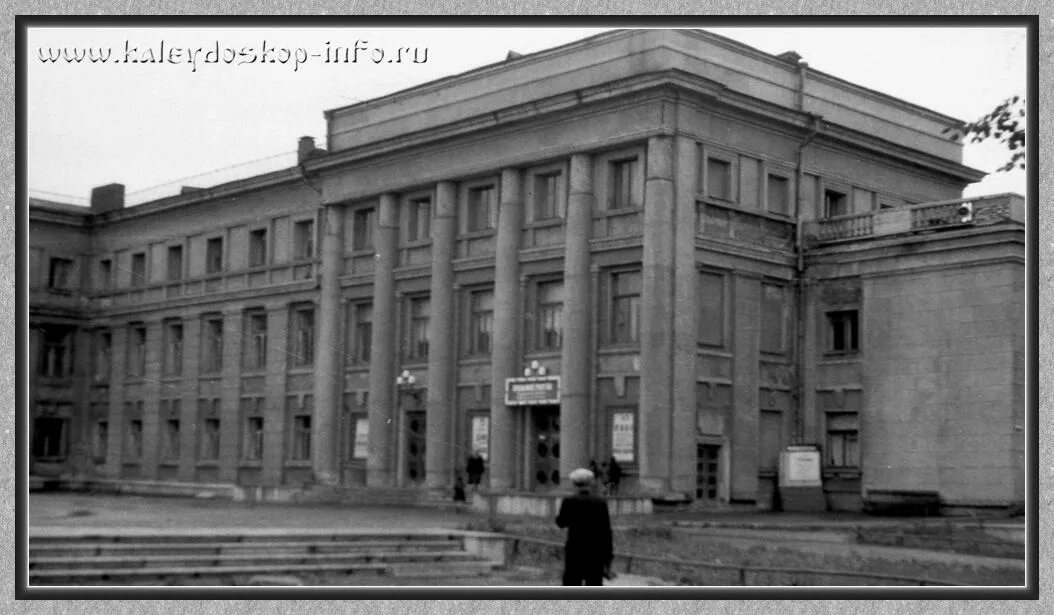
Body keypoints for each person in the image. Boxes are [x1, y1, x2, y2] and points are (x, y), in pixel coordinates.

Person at [555, 468, 614, 586]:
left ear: (574, 483)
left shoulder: (569, 501)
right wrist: (608, 556)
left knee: (572, 586)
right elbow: (606, 531)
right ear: (590, 482)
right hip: (595, 551)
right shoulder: (600, 502)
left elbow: (561, 523)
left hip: (574, 549)